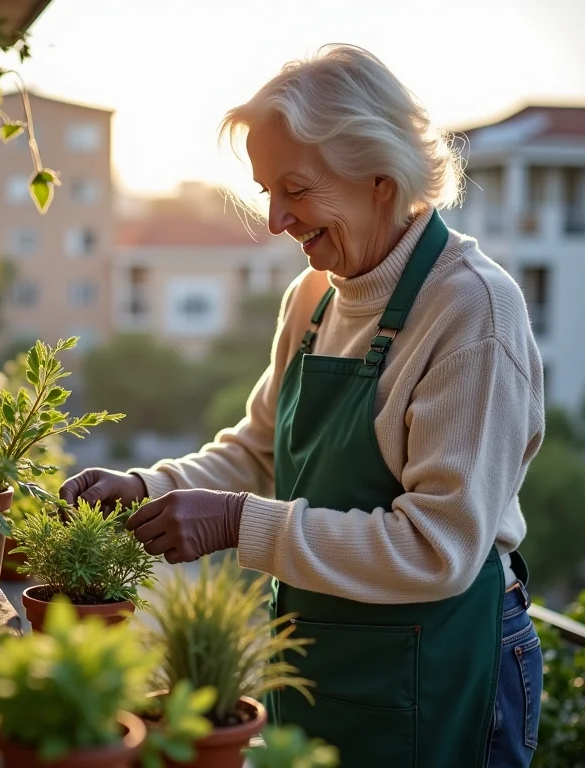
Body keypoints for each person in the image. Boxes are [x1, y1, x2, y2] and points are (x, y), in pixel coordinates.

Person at [61, 44, 544, 768]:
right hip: (324, 647)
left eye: (296, 189)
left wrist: (234, 522)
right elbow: (256, 451)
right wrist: (149, 487)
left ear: (380, 177)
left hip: (443, 660)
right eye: (265, 190)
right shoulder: (314, 299)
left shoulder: (472, 311)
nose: (275, 219)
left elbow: (437, 549)